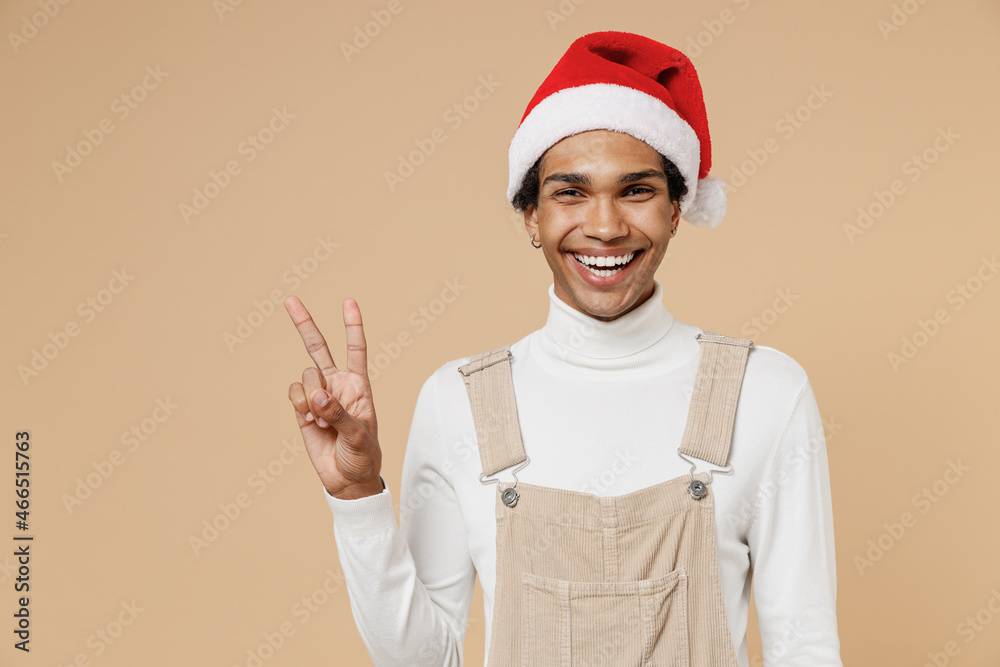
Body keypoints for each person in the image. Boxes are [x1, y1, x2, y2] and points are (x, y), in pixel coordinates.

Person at [285, 30, 842, 666]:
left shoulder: (766, 392)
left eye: (636, 190)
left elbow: (805, 649)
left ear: (676, 209)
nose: (604, 226)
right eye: (569, 192)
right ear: (530, 216)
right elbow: (422, 660)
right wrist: (357, 500)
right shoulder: (460, 401)